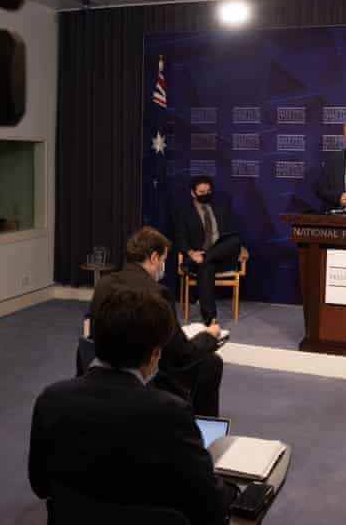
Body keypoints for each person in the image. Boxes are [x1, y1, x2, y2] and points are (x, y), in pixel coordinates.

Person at [30, 288, 238, 525]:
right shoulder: (170, 412)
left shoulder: (51, 399)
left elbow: (41, 486)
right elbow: (209, 504)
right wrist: (233, 491)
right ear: (154, 354)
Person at [90, 227, 225, 416]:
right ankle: (202, 427)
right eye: (163, 260)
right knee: (211, 362)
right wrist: (209, 336)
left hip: (105, 361)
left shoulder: (103, 284)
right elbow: (181, 355)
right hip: (146, 369)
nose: (163, 266)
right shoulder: (157, 293)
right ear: (154, 258)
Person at [174, 175, 249, 325]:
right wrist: (191, 253)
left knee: (235, 240)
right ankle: (210, 319)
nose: (206, 194)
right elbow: (180, 239)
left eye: (208, 191)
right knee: (206, 267)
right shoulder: (184, 213)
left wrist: (241, 248)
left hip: (222, 257)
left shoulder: (220, 208)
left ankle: (200, 261)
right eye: (201, 192)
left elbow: (231, 233)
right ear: (193, 193)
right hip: (199, 257)